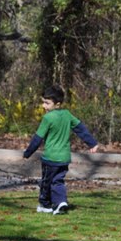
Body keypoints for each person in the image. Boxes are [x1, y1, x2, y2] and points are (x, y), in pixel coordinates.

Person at [23, 85, 99, 215]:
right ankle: (61, 202)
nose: (43, 106)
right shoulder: (67, 115)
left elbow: (38, 138)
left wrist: (27, 153)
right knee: (57, 181)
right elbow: (80, 129)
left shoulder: (48, 118)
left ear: (57, 104)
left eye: (47, 103)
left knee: (46, 182)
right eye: (43, 102)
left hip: (50, 158)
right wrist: (92, 143)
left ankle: (45, 205)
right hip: (64, 159)